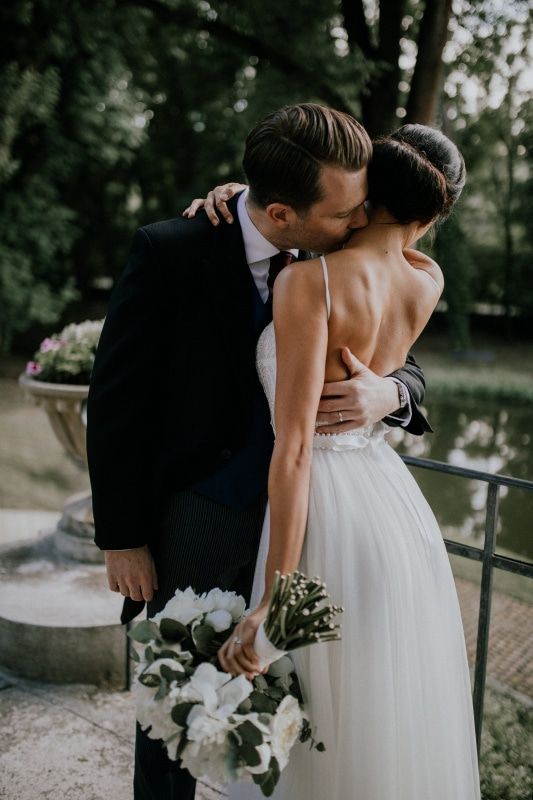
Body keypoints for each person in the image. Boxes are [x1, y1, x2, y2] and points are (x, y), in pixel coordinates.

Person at [86, 104, 429, 800]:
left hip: (312, 523)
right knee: (176, 707)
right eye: (346, 213)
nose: (361, 222)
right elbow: (116, 406)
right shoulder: (169, 251)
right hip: (198, 521)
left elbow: (407, 361)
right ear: (278, 214)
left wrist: (389, 395)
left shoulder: (330, 252)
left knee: (312, 705)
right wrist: (122, 539)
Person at [204, 125, 481, 798]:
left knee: (317, 718)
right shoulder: (427, 278)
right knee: (378, 712)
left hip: (320, 513)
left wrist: (274, 598)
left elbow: (294, 448)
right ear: (430, 215)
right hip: (393, 515)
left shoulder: (308, 281)